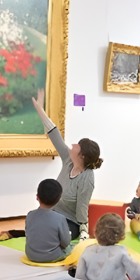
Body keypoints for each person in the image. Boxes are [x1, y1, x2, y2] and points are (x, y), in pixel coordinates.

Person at [32, 89, 103, 241]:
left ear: (82, 156)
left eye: (77, 146)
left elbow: (82, 206)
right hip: (51, 212)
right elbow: (54, 134)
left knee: (54, 236)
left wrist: (84, 229)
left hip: (69, 220)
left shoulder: (87, 178)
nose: (72, 145)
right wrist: (40, 109)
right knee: (34, 226)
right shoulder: (68, 160)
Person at [75, 213, 140, 280]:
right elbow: (135, 271)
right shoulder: (121, 252)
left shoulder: (87, 251)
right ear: (121, 235)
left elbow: (80, 276)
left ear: (95, 232)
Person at [25, 179, 73, 263]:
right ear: (59, 199)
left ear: (37, 197)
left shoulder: (30, 215)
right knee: (72, 247)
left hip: (31, 255)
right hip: (52, 256)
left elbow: (28, 235)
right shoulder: (60, 218)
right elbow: (65, 243)